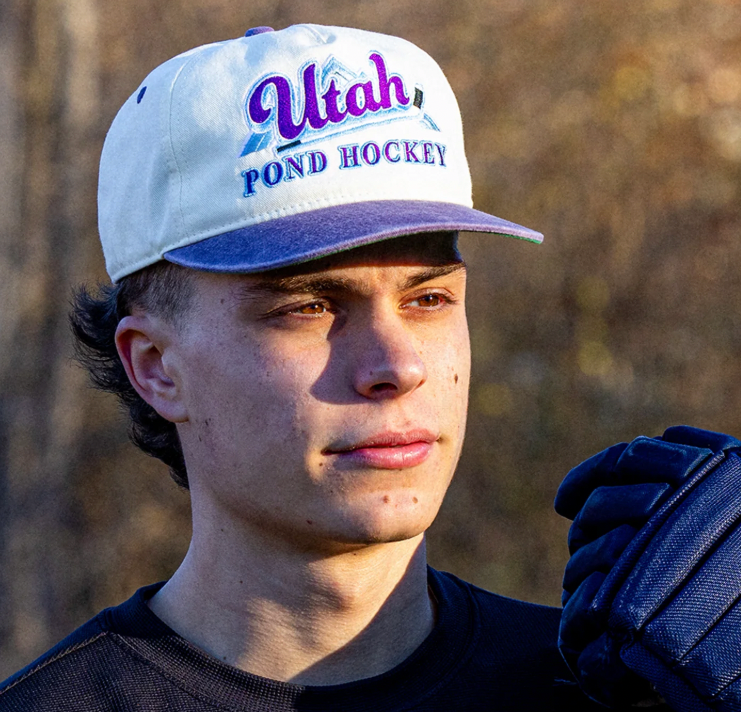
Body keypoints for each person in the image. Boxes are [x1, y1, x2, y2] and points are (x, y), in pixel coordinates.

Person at [0, 23, 665, 711]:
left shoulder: (614, 693)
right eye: (309, 308)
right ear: (156, 367)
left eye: (429, 298)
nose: (397, 364)